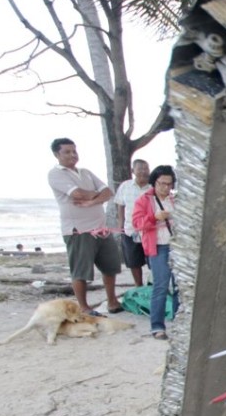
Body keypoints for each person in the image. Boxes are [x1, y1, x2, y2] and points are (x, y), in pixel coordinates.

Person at [47, 137, 124, 315]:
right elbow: (78, 193)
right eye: (67, 152)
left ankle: (112, 301)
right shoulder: (56, 174)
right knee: (81, 271)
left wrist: (91, 200)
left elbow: (109, 192)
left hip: (101, 228)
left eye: (74, 151)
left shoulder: (86, 172)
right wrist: (97, 196)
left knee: (110, 266)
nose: (72, 155)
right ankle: (84, 307)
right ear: (57, 154)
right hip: (78, 230)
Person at [132, 165, 180, 340]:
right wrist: (154, 217)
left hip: (177, 246)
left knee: (179, 287)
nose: (165, 188)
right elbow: (137, 224)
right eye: (162, 184)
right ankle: (157, 326)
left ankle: (178, 322)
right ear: (154, 182)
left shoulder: (175, 200)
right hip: (158, 247)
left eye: (169, 184)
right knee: (160, 286)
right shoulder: (144, 200)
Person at [114, 158, 151, 287]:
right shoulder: (125, 186)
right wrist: (120, 224)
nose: (143, 171)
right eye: (140, 168)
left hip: (150, 231)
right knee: (133, 261)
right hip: (130, 230)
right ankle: (138, 286)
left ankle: (153, 285)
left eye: (146, 168)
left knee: (153, 261)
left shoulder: (153, 187)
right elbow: (120, 205)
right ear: (133, 170)